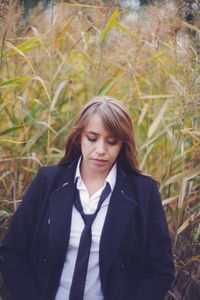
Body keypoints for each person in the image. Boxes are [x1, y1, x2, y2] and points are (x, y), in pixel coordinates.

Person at [0, 96, 175, 300]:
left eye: (111, 142)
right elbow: (13, 252)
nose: (100, 150)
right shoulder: (48, 181)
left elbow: (160, 270)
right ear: (79, 137)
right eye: (92, 138)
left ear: (123, 145)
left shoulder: (144, 193)